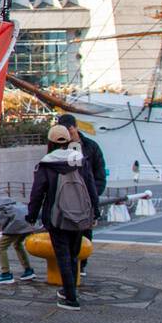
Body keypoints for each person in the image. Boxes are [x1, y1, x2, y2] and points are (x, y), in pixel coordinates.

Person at [26, 124, 99, 310]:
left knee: (63, 256)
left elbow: (37, 193)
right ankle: (69, 291)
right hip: (80, 216)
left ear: (49, 142)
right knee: (74, 255)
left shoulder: (47, 163)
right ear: (68, 141)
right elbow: (91, 188)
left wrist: (32, 215)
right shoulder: (80, 160)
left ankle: (71, 298)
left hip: (56, 216)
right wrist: (95, 212)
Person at [56, 113, 105, 274]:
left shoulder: (91, 146)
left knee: (85, 233)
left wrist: (92, 197)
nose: (68, 135)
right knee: (66, 232)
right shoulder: (58, 147)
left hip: (86, 198)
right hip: (66, 199)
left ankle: (82, 263)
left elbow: (99, 175)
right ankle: (69, 264)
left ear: (75, 127)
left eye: (69, 130)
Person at [0, 195, 37, 284]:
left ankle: (6, 274)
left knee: (1, 247)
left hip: (16, 223)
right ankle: (28, 271)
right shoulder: (2, 200)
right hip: (27, 219)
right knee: (17, 244)